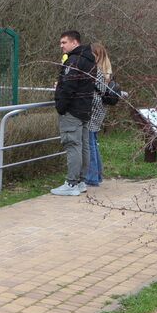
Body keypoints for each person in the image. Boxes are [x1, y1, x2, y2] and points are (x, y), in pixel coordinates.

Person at [51, 30, 95, 196]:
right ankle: (81, 181)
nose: (61, 46)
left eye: (64, 42)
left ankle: (71, 184)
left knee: (73, 145)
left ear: (74, 42)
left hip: (72, 111)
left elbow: (69, 87)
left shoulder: (73, 61)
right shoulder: (89, 60)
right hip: (85, 109)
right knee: (83, 146)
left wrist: (61, 106)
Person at [85, 42, 114, 187]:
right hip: (100, 109)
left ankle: (92, 177)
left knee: (90, 143)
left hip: (93, 108)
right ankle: (96, 174)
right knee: (93, 142)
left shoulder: (95, 70)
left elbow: (96, 88)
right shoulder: (106, 70)